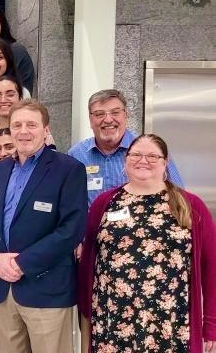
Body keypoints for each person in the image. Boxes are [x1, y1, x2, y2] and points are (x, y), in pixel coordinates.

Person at [77, 134, 215, 353]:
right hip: (113, 322)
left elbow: (211, 268)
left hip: (171, 324)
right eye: (136, 155)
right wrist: (86, 310)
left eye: (152, 156)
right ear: (126, 160)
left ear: (165, 162)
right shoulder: (104, 204)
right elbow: (88, 262)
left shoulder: (191, 205)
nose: (143, 160)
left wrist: (211, 325)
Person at [0, 100, 87, 353]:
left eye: (31, 125)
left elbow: (72, 229)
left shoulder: (68, 169)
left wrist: (23, 263)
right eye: (17, 125)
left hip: (46, 288)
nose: (24, 131)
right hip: (4, 288)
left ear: (46, 130)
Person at [68, 88, 184, 206]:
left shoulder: (152, 151)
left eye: (115, 112)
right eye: (99, 114)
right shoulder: (77, 154)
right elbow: (69, 201)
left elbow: (179, 197)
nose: (108, 120)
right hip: (92, 224)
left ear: (126, 115)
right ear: (90, 119)